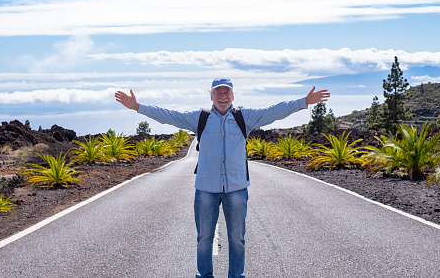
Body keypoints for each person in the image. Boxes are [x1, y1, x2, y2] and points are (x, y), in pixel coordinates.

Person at [114, 78, 330, 278]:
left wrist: (303, 102)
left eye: (227, 92)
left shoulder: (244, 117)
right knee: (204, 239)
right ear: (211, 96)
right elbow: (169, 115)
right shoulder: (200, 118)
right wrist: (138, 107)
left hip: (236, 188)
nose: (223, 96)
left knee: (237, 239)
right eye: (218, 92)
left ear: (233, 96)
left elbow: (275, 111)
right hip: (206, 189)